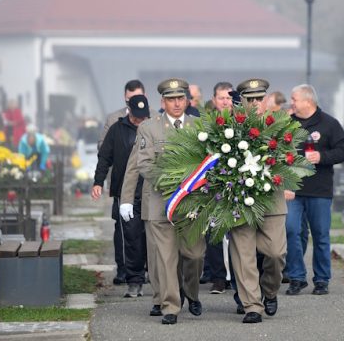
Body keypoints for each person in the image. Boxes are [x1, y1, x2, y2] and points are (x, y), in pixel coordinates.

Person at [120, 78, 205, 325]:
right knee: (166, 258)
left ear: (187, 100)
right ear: (162, 101)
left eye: (180, 98)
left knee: (195, 255)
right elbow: (140, 164)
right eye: (171, 99)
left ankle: (191, 293)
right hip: (159, 203)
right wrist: (127, 198)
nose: (177, 104)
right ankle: (170, 306)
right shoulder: (149, 128)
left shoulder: (198, 126)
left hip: (191, 204)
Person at [228, 78, 286, 324]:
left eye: (258, 99)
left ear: (265, 100)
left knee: (275, 253)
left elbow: (289, 159)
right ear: (241, 101)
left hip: (271, 201)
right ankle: (252, 305)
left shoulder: (278, 126)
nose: (254, 104)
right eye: (249, 99)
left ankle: (269, 291)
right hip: (239, 201)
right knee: (244, 255)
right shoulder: (228, 130)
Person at [284, 84, 344, 296]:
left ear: (308, 101)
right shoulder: (287, 124)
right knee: (291, 230)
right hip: (293, 190)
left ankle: (322, 279)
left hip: (319, 190)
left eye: (294, 99)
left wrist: (322, 157)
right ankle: (296, 277)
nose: (291, 103)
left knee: (320, 235)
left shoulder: (329, 124)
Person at [91, 94, 150, 297]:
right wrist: (98, 181)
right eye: (136, 118)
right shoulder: (117, 130)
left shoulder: (153, 128)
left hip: (150, 190)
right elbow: (104, 157)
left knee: (150, 235)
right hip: (126, 192)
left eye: (143, 118)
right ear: (129, 112)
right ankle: (134, 279)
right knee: (131, 236)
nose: (139, 121)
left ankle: (153, 275)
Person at [202, 82, 234, 294]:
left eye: (229, 98)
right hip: (213, 184)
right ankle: (218, 277)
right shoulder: (206, 124)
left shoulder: (241, 122)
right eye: (221, 98)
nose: (225, 101)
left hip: (236, 184)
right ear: (214, 100)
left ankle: (236, 274)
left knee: (236, 232)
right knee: (213, 232)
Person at [97, 80, 146, 150]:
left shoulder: (155, 117)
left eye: (137, 98)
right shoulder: (113, 119)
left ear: (145, 96)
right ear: (125, 97)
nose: (134, 102)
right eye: (130, 98)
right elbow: (101, 145)